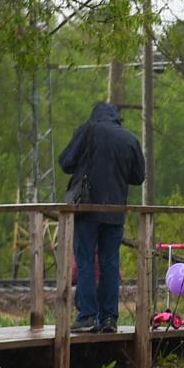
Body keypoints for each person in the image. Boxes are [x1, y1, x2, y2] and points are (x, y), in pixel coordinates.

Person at [59, 101, 145, 332]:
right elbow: (138, 176)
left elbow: (65, 162)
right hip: (115, 211)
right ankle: (109, 319)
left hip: (87, 210)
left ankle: (87, 316)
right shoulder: (129, 139)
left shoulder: (88, 131)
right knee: (109, 263)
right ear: (116, 118)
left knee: (86, 260)